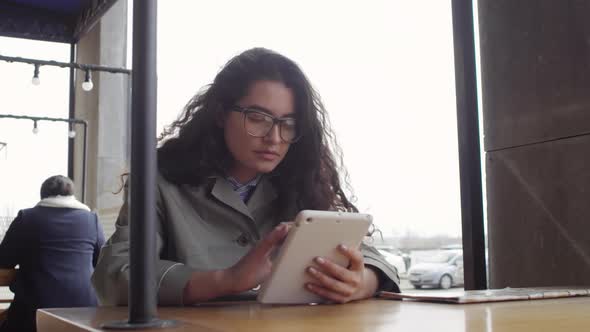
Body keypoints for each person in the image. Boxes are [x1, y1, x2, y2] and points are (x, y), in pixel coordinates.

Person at [92, 48, 400, 306]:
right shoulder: (160, 180)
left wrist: (362, 282)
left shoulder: (302, 183)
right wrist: (223, 281)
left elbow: (372, 259)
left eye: (288, 124)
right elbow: (115, 273)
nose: (275, 137)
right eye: (257, 118)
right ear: (219, 114)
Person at [0, 175, 105, 332]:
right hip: (85, 313)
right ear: (73, 196)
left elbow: (3, 261)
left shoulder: (26, 218)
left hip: (34, 311)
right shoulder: (92, 220)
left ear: (42, 197)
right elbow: (102, 263)